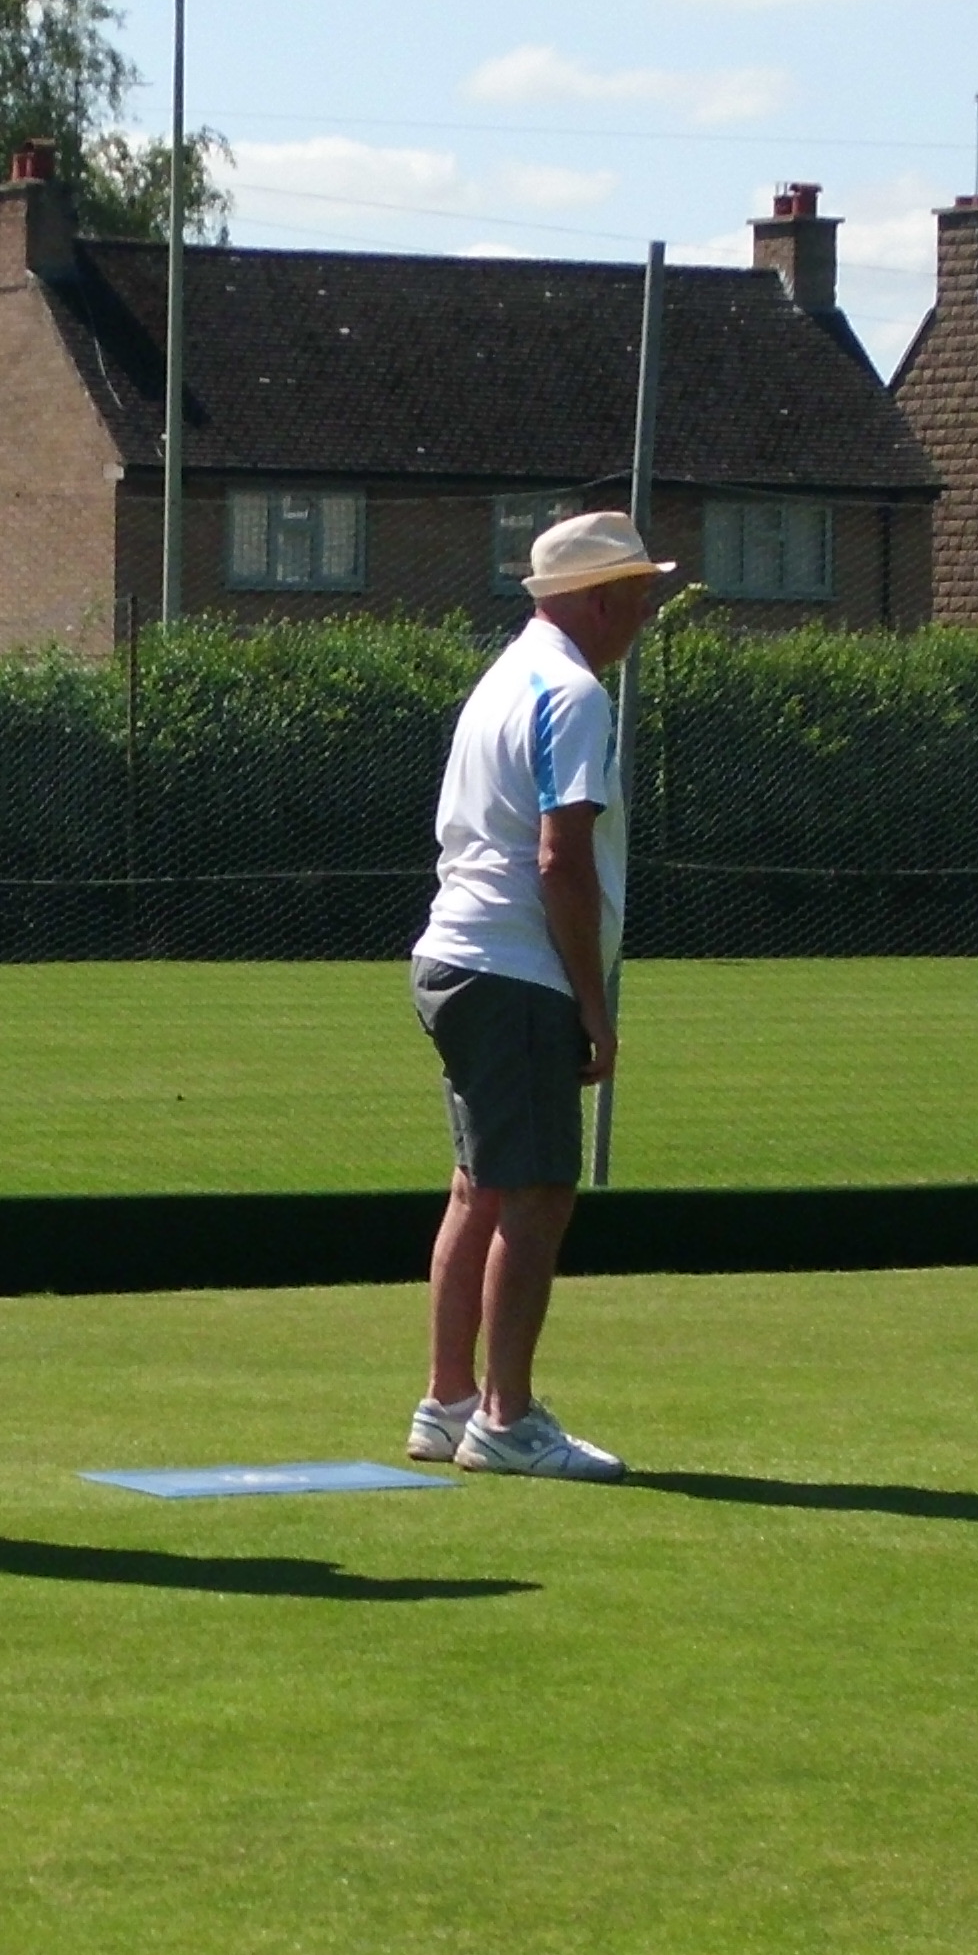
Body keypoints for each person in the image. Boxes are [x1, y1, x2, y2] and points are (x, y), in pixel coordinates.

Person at [402, 510, 667, 1482]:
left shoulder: (506, 676)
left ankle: (448, 1401)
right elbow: (560, 858)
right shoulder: (572, 689)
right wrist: (593, 1004)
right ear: (599, 599)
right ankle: (504, 1417)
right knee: (540, 1193)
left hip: (458, 957)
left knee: (482, 1184)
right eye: (638, 594)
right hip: (513, 967)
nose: (645, 611)